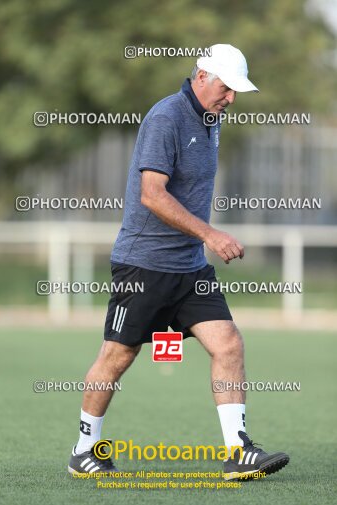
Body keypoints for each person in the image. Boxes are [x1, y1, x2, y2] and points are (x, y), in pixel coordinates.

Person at [68, 44, 289, 480]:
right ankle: (84, 449)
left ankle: (237, 451)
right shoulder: (166, 117)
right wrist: (210, 233)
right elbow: (152, 194)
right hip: (144, 265)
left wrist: (200, 244)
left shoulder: (212, 119)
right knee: (118, 354)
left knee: (228, 343)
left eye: (236, 92)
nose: (231, 99)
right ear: (202, 76)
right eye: (226, 88)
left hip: (189, 270)